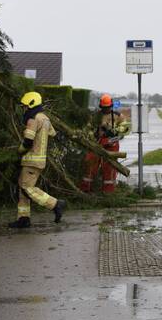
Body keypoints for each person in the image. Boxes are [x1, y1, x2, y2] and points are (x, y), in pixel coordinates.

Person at [8, 91, 66, 229]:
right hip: (39, 160)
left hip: (31, 160)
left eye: (25, 106)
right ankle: (23, 219)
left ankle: (55, 204)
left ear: (31, 105)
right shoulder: (45, 118)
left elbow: (28, 141)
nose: (24, 109)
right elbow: (52, 133)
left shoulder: (33, 119)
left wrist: (19, 151)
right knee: (22, 189)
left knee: (27, 188)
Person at [80, 93, 130, 193]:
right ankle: (85, 190)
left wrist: (114, 131)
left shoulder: (117, 115)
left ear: (111, 106)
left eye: (107, 107)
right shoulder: (96, 116)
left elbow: (125, 126)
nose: (106, 109)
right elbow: (88, 128)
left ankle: (108, 192)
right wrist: (92, 135)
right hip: (97, 143)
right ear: (101, 106)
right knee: (90, 164)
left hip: (112, 143)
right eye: (104, 107)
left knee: (109, 168)